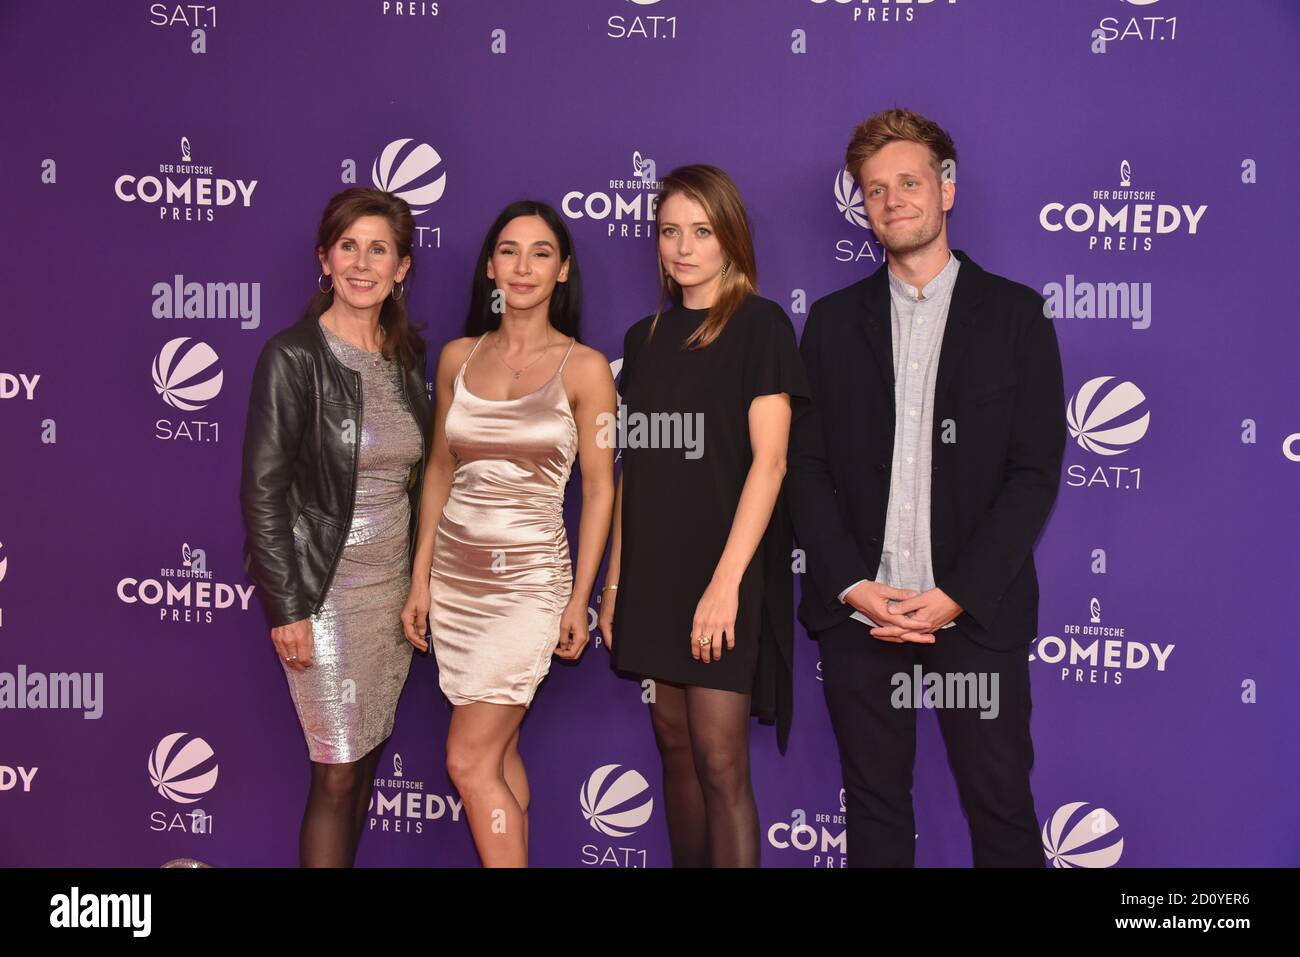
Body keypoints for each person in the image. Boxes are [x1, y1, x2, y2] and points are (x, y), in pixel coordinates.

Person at [786, 108, 1066, 867]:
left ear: (947, 189)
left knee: (1002, 813)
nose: (893, 200)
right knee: (874, 819)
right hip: (861, 620)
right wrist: (851, 582)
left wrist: (956, 592)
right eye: (875, 189)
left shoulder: (1016, 316)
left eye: (909, 182)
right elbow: (804, 468)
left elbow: (1035, 471)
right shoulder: (834, 325)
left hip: (973, 618)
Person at [599, 164, 809, 867]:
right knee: (676, 753)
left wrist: (725, 585)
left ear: (730, 239)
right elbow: (637, 473)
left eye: (701, 231)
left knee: (721, 764)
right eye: (669, 232)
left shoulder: (761, 326)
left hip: (726, 570)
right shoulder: (642, 338)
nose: (683, 247)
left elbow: (771, 463)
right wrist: (617, 584)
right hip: (655, 576)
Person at [401, 201, 616, 867]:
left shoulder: (586, 369)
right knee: (497, 754)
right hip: (456, 586)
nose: (523, 266)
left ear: (563, 270)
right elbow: (439, 468)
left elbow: (602, 487)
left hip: (526, 586)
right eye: (510, 250)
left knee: (467, 760)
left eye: (541, 252)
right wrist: (420, 579)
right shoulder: (457, 357)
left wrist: (581, 597)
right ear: (490, 265)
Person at [240, 186, 433, 867]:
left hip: (391, 596)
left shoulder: (406, 358)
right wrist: (287, 607)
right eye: (348, 246)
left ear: (401, 267)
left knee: (367, 765)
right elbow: (263, 492)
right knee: (337, 771)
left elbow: (419, 478)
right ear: (325, 259)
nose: (362, 262)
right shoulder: (292, 356)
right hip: (321, 594)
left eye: (378, 248)